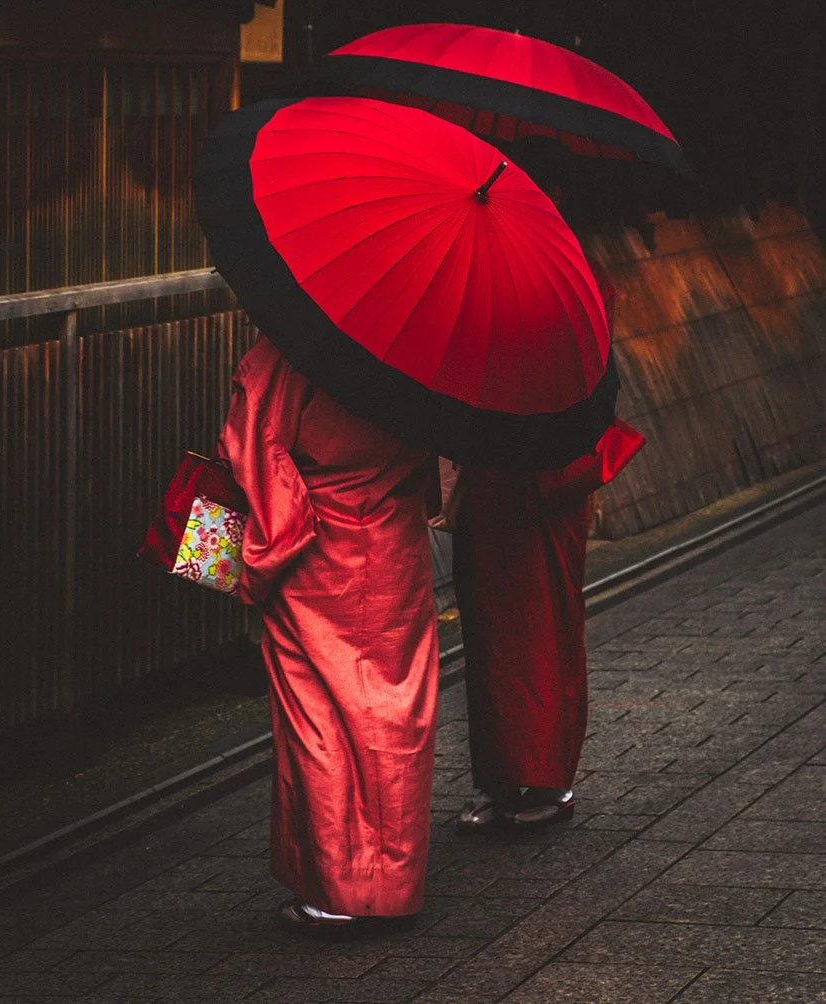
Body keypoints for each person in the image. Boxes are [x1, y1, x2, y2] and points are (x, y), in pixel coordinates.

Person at [217, 334, 439, 932]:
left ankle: (339, 890)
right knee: (396, 709)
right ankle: (393, 882)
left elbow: (254, 450)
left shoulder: (292, 349)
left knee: (320, 715)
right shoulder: (427, 344)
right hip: (393, 542)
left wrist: (260, 562)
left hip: (318, 553)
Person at [450, 270, 644, 828]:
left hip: (536, 465)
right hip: (498, 479)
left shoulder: (567, 290)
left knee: (538, 628)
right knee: (494, 636)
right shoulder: (560, 282)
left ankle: (543, 777)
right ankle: (500, 777)